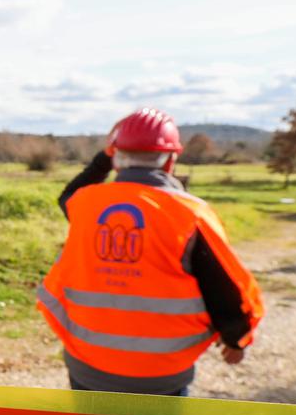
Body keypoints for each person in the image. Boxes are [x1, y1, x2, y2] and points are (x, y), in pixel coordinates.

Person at [38, 108, 264, 395]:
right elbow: (224, 289)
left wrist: (106, 157)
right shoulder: (190, 215)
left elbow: (69, 193)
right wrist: (236, 340)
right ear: (171, 161)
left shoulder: (85, 204)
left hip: (88, 367)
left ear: (115, 158)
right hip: (161, 377)